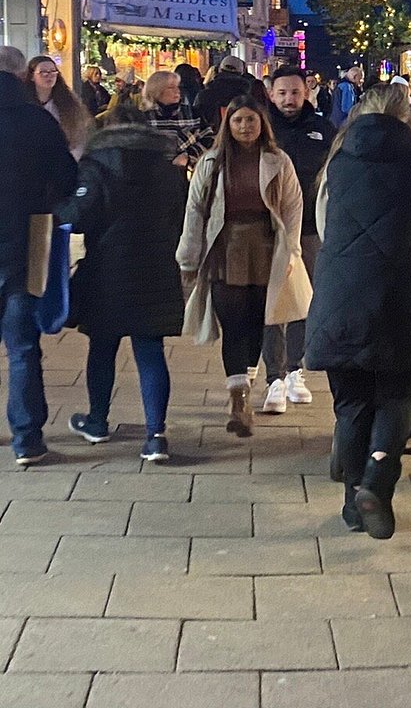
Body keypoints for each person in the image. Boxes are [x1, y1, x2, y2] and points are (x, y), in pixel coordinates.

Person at [306, 84, 411, 538]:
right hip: (399, 295)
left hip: (338, 297)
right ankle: (377, 480)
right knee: (397, 394)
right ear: (404, 119)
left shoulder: (336, 163)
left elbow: (323, 225)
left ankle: (353, 503)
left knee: (351, 404)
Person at [58, 101, 187, 462]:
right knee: (150, 350)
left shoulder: (96, 166)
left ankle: (97, 421)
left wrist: (57, 207)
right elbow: (180, 217)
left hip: (107, 270)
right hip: (156, 269)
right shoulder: (168, 170)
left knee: (102, 345)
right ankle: (155, 435)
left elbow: (79, 217)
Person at [176, 96, 310, 437]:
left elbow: (293, 205)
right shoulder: (211, 162)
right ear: (228, 125)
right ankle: (238, 400)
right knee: (233, 324)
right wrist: (189, 257)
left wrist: (291, 250)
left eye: (251, 120)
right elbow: (195, 210)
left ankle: (247, 379)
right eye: (238, 121)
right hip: (225, 246)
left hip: (267, 246)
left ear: (261, 123)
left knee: (256, 325)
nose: (245, 127)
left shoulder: (278, 161)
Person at [0, 46, 77, 465]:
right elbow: (67, 177)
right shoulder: (36, 121)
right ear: (22, 75)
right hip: (24, 242)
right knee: (22, 347)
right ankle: (27, 439)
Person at [261, 67, 334, 414]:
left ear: (306, 92)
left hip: (309, 229)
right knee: (270, 302)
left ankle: (295, 370)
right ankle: (273, 377)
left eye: (295, 92)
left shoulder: (321, 128)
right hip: (266, 230)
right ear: (271, 94)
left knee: (304, 301)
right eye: (282, 93)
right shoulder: (260, 128)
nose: (289, 99)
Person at [26, 54, 92, 160]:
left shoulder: (68, 103)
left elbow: (78, 135)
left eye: (53, 71)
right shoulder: (24, 102)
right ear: (32, 76)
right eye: (43, 72)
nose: (49, 75)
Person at [141, 70, 209, 170]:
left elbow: (210, 138)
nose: (177, 91)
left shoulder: (193, 114)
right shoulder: (142, 118)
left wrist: (189, 156)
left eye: (177, 87)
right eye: (171, 88)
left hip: (186, 175)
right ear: (157, 91)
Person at [196, 55, 253, 134]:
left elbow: (196, 121)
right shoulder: (248, 98)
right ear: (242, 73)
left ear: (219, 70)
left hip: (210, 138)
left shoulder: (204, 95)